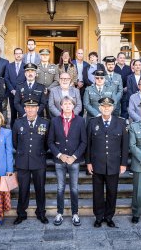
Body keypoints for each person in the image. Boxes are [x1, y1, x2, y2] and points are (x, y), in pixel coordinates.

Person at [86, 97, 128, 228]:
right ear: (99, 108)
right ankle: (98, 217)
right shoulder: (92, 122)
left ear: (113, 108)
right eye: (103, 106)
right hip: (97, 164)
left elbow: (124, 145)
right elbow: (88, 144)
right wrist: (88, 162)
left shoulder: (120, 123)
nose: (106, 108)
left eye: (108, 106)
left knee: (112, 192)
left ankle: (109, 216)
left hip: (114, 164)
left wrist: (123, 163)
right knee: (97, 193)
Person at [48, 96, 87, 226]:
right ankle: (59, 213)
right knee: (60, 188)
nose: (67, 106)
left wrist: (74, 157)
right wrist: (60, 155)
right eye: (65, 104)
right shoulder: (54, 121)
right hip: (59, 161)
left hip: (74, 161)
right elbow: (50, 142)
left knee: (74, 188)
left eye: (70, 103)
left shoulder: (81, 121)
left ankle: (75, 214)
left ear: (73, 106)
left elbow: (84, 142)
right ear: (61, 106)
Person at [12, 98, 50, 225]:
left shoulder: (45, 123)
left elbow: (47, 143)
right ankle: (21, 214)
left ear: (37, 109)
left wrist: (39, 152)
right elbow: (15, 142)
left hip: (39, 160)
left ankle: (41, 213)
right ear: (24, 109)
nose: (30, 109)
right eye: (28, 107)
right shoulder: (18, 123)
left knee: (40, 189)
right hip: (22, 161)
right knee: (23, 189)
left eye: (33, 107)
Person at [5, 48, 26, 127]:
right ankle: (13, 131)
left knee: (22, 113)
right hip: (12, 94)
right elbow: (6, 78)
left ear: (22, 55)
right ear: (14, 55)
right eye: (16, 53)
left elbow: (28, 79)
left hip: (23, 94)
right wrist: (12, 90)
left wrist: (21, 90)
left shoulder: (26, 66)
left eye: (20, 53)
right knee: (13, 114)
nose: (18, 55)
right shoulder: (9, 66)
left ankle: (21, 130)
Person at [71, 48, 90, 113]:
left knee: (81, 102)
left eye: (81, 53)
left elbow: (88, 76)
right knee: (73, 101)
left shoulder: (87, 64)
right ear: (76, 54)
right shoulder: (71, 63)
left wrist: (82, 83)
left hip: (83, 86)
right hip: (73, 86)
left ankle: (80, 118)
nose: (80, 55)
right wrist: (77, 82)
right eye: (79, 53)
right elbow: (69, 74)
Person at [114, 52, 132, 119]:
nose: (122, 59)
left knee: (124, 109)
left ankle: (124, 124)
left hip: (125, 91)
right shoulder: (114, 68)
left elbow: (130, 79)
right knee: (115, 109)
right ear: (117, 59)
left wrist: (127, 87)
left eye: (124, 58)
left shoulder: (128, 68)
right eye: (120, 58)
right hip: (115, 92)